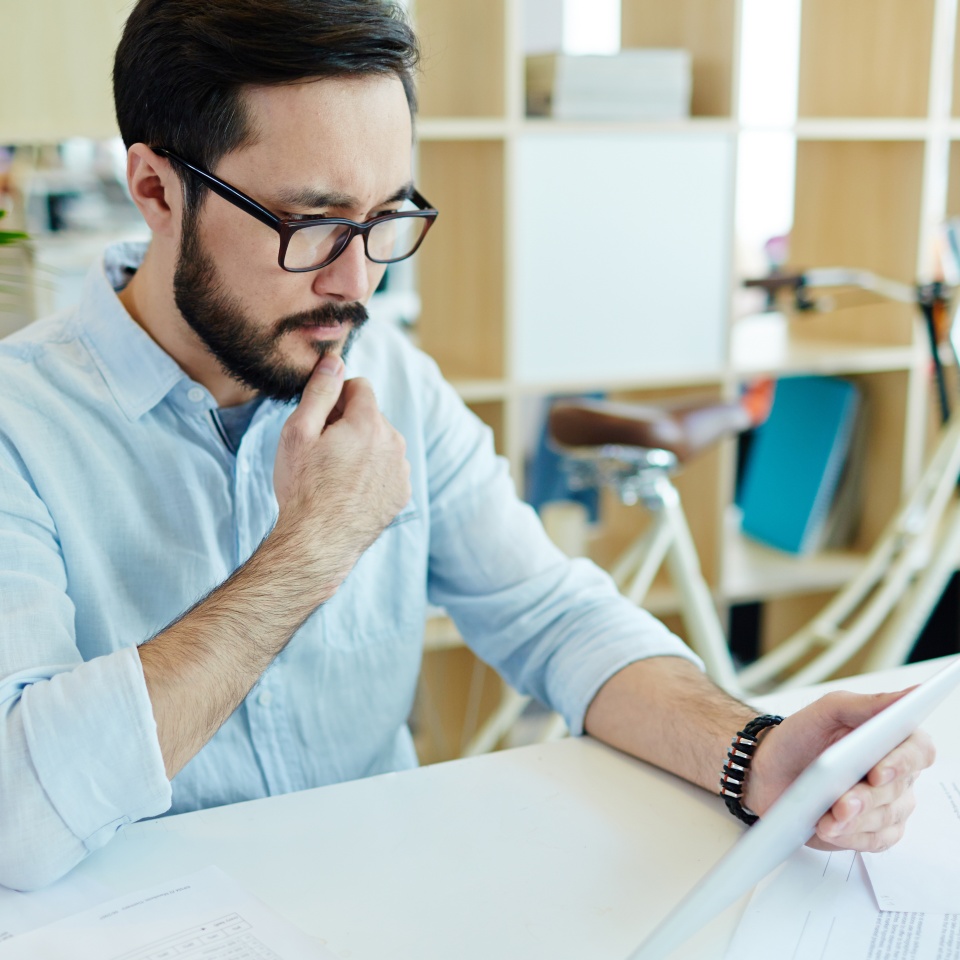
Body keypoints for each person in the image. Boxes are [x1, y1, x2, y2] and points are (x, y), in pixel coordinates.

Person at [0, 0, 933, 891]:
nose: (355, 280)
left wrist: (754, 754)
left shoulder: (392, 376)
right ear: (157, 190)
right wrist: (308, 552)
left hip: (383, 903)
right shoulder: (23, 427)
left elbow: (550, 617)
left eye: (385, 219)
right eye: (314, 221)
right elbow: (19, 816)